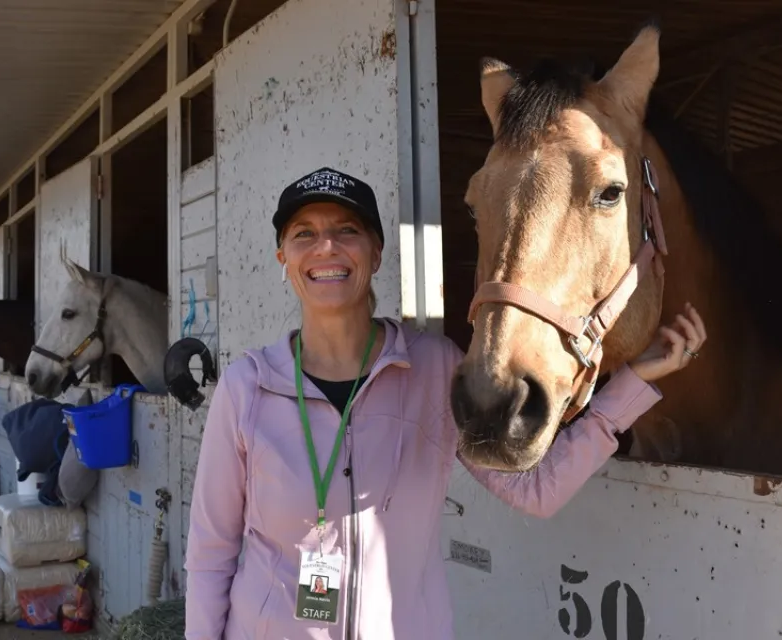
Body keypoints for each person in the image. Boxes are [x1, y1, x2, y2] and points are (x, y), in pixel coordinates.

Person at [183, 167, 707, 639]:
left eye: (347, 230)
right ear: (284, 258)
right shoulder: (247, 387)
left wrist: (634, 382)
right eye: (305, 234)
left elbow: (536, 490)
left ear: (375, 251)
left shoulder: (433, 369)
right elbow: (211, 555)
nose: (326, 248)